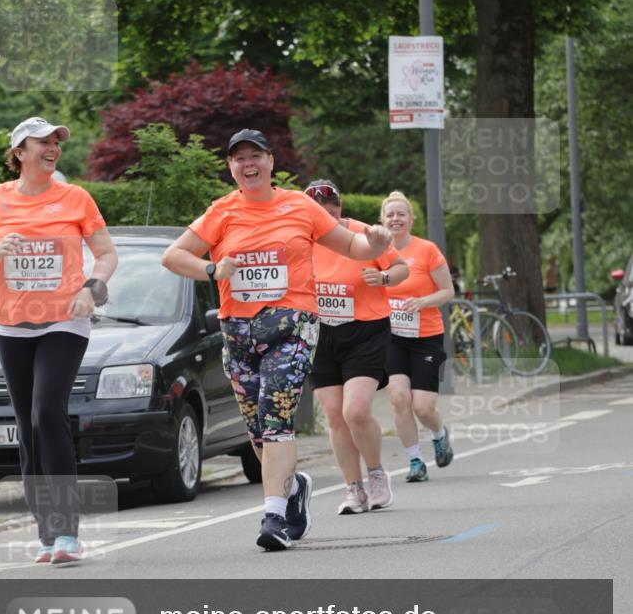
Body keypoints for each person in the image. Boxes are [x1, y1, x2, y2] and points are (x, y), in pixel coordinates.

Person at [161, 130, 392, 551]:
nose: (247, 165)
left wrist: (374, 242)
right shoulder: (221, 212)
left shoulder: (300, 206)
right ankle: (293, 488)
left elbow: (354, 247)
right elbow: (173, 255)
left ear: (270, 161)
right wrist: (213, 271)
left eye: (255, 156)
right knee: (257, 432)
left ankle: (274, 518)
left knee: (275, 421)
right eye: (238, 159)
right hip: (238, 331)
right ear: (230, 168)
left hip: (292, 326)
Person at [0, 117, 117, 564]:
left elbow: (106, 254)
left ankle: (68, 530)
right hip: (11, 326)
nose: (52, 148)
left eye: (56, 142)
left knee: (47, 411)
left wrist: (93, 288)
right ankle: (47, 531)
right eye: (43, 142)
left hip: (64, 322)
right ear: (19, 152)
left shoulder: (75, 198)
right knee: (27, 427)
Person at [305, 180, 408, 515]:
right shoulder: (300, 240)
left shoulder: (364, 233)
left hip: (365, 330)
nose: (326, 215)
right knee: (335, 415)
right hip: (321, 334)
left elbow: (400, 267)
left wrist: (385, 279)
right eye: (318, 210)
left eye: (331, 207)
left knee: (356, 410)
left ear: (340, 204)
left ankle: (377, 474)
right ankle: (354, 489)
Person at [380, 191, 455, 482]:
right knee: (399, 398)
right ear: (382, 220)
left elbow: (448, 291)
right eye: (390, 215)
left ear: (410, 219)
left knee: (423, 407)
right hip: (391, 337)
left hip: (426, 335)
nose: (395, 219)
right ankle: (415, 461)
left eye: (401, 214)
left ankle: (438, 432)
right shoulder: (376, 253)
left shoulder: (427, 250)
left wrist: (423, 302)